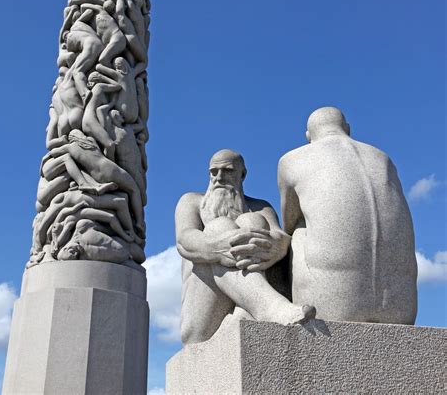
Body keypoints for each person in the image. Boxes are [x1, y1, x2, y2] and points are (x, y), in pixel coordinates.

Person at [278, 107, 417, 324]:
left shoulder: (292, 160)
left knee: (298, 229)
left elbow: (288, 222)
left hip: (331, 309)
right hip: (402, 309)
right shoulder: (383, 159)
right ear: (347, 129)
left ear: (308, 136)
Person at [175, 150, 315, 344]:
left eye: (228, 171)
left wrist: (274, 246)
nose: (219, 177)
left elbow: (281, 237)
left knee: (252, 220)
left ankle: (248, 310)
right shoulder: (192, 202)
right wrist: (220, 245)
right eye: (213, 172)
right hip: (201, 320)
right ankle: (269, 307)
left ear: (242, 175)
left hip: (244, 314)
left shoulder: (260, 207)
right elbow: (185, 240)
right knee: (219, 226)